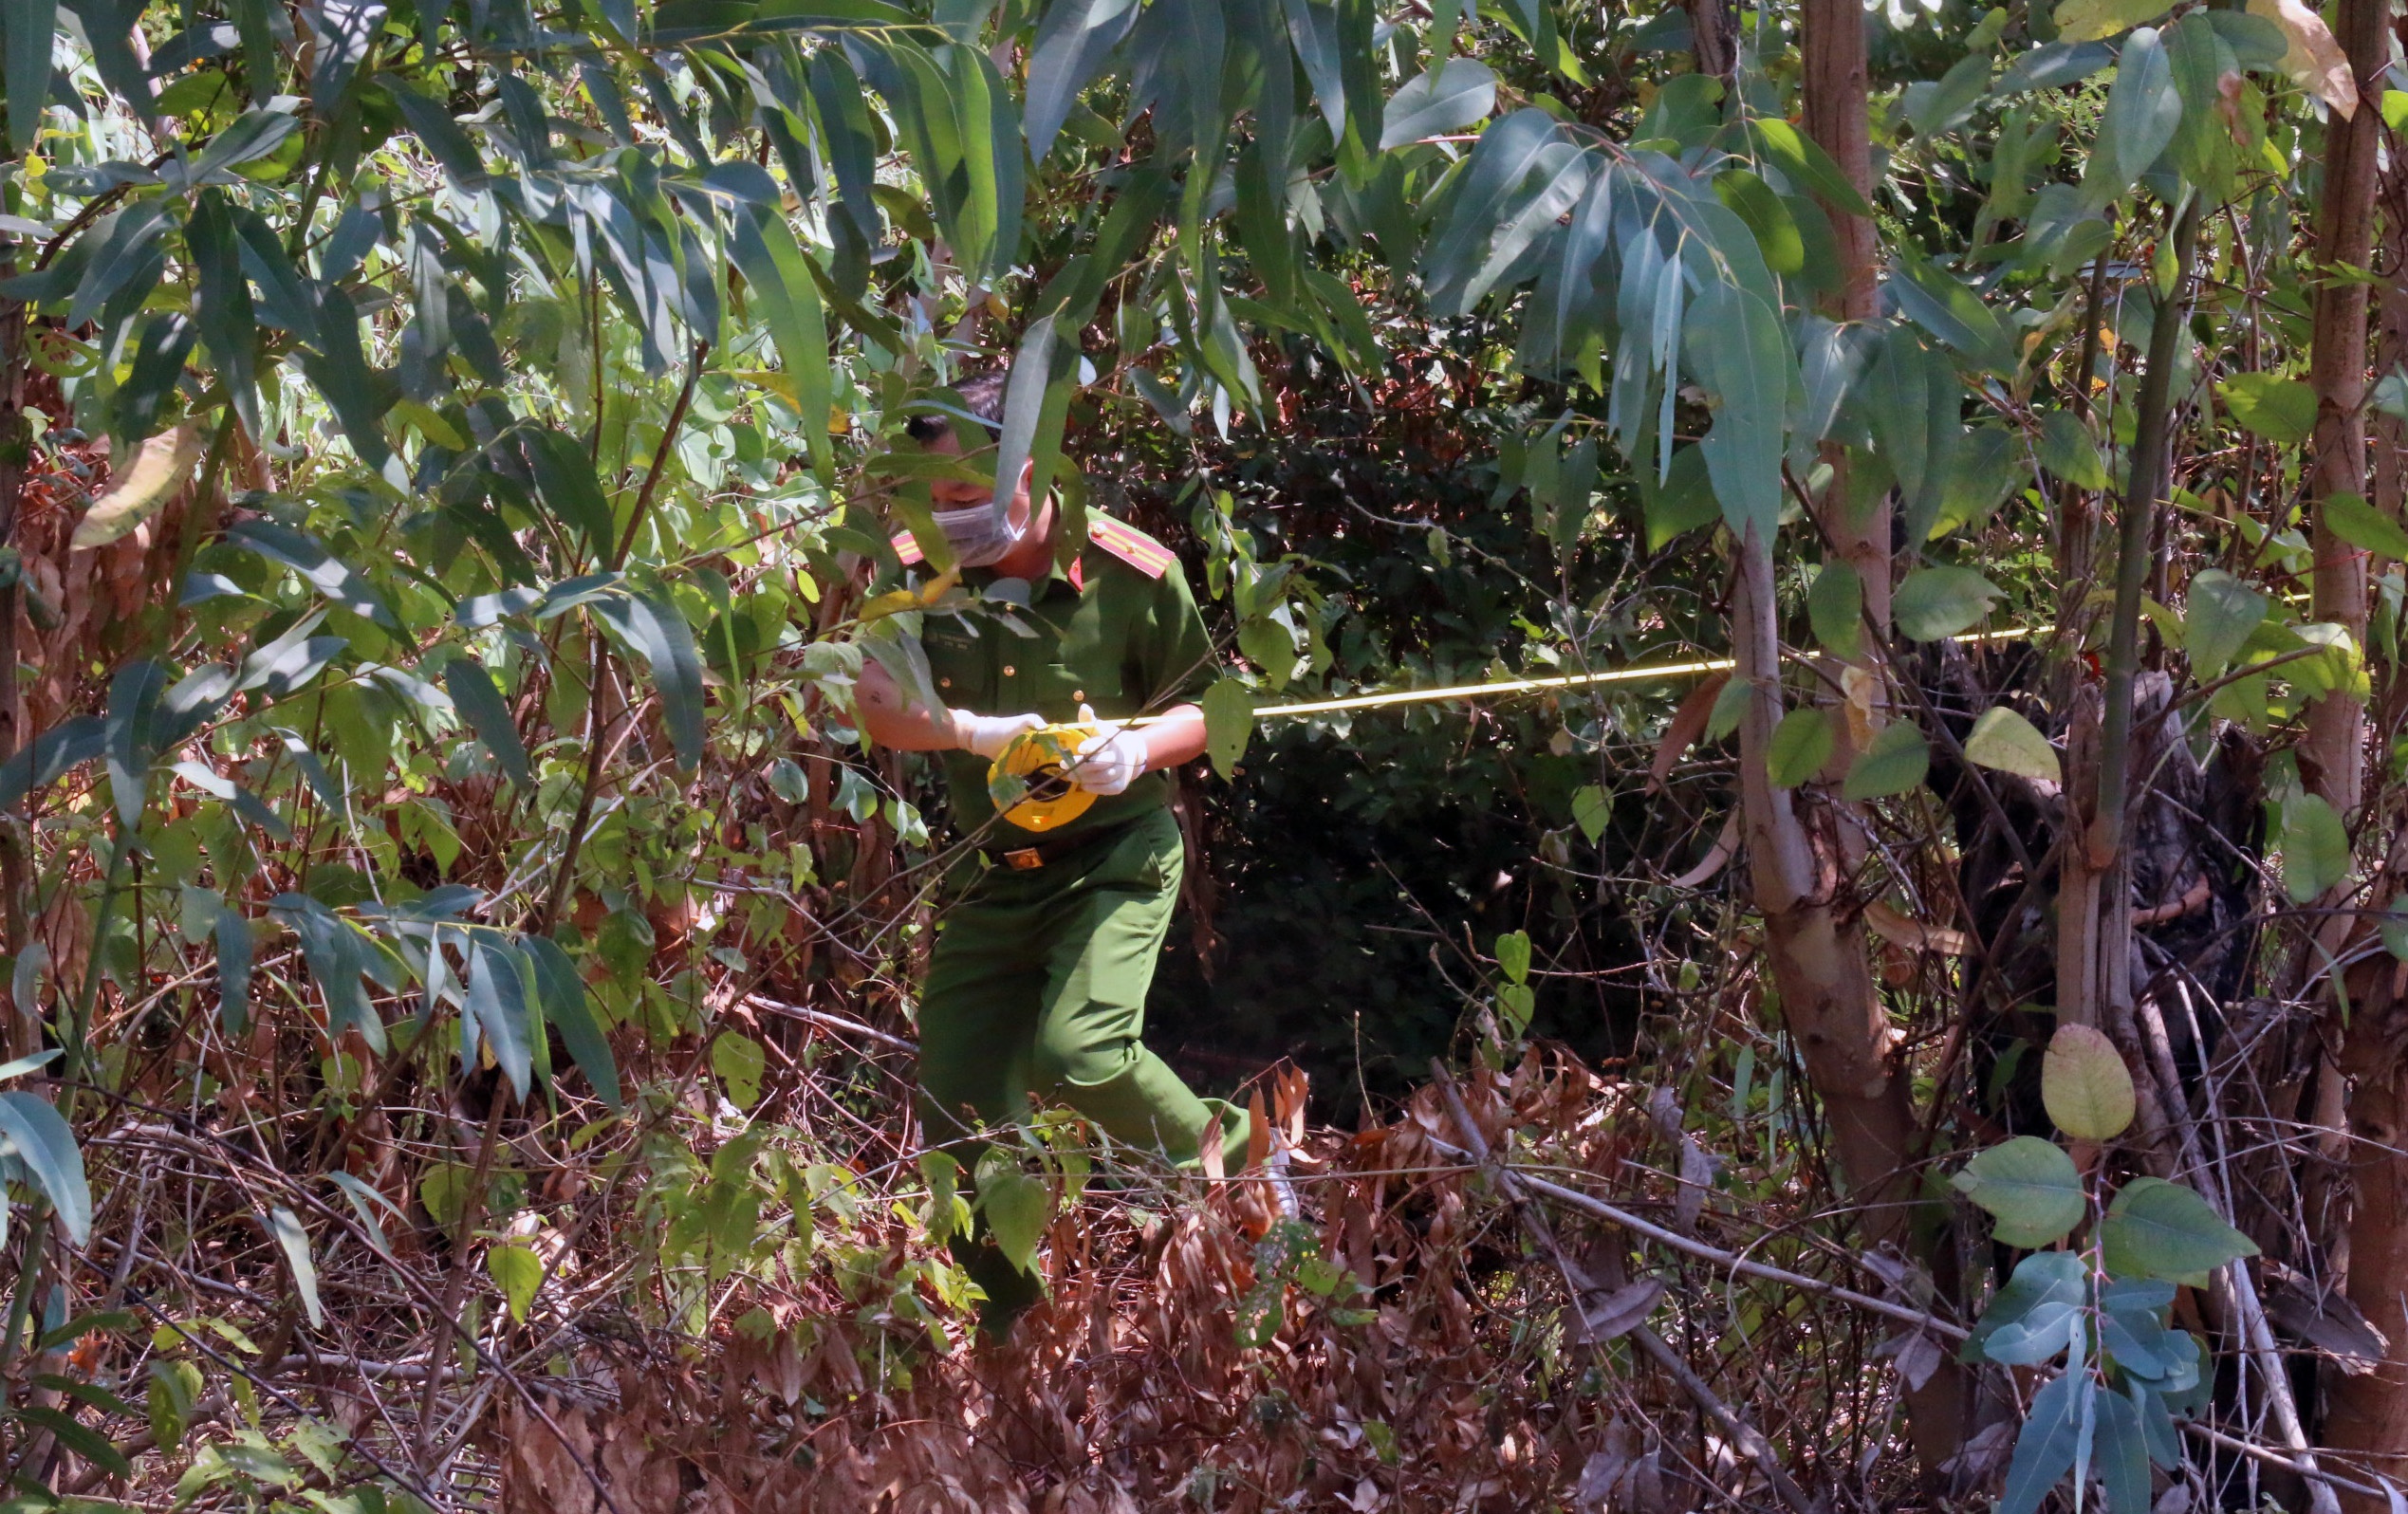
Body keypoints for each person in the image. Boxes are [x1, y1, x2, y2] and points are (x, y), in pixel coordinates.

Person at [853, 369, 1261, 1338]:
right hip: (991, 881)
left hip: (1116, 860)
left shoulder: (1131, 572)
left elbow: (1220, 713)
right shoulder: (911, 574)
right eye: (930, 503)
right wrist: (966, 731)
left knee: (1079, 1053)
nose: (948, 522)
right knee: (957, 1119)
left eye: (963, 499)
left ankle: (1239, 1167)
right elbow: (871, 702)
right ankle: (1011, 1335)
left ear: (1028, 469)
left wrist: (1137, 749)